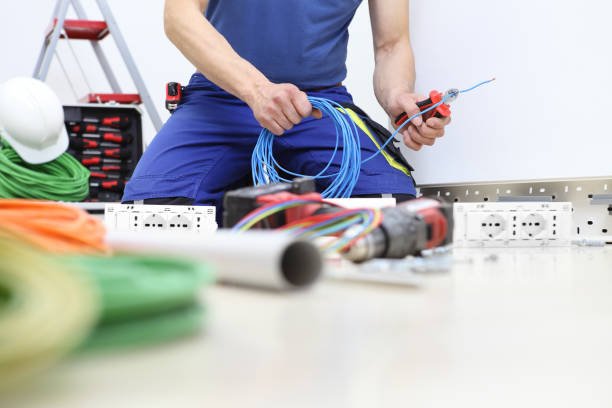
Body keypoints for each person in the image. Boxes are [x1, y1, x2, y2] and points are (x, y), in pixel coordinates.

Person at [122, 0, 451, 226]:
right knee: (153, 215)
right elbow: (179, 17)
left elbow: (391, 45)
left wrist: (398, 97)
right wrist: (256, 90)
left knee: (392, 211)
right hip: (219, 100)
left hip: (319, 108)